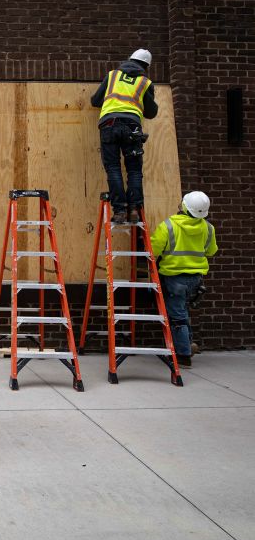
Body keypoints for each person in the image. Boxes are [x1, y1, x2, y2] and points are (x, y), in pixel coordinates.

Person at [91, 48, 159, 224]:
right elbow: (151, 112)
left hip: (109, 124)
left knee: (113, 167)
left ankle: (120, 211)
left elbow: (95, 100)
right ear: (146, 66)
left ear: (129, 59)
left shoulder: (112, 75)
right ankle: (135, 209)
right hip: (132, 127)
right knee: (134, 170)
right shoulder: (145, 82)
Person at [150, 191, 218, 368]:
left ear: (185, 206)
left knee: (178, 317)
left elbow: (153, 250)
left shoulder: (169, 225)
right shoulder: (208, 228)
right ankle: (187, 344)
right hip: (195, 279)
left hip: (174, 278)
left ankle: (183, 355)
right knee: (183, 311)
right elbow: (211, 251)